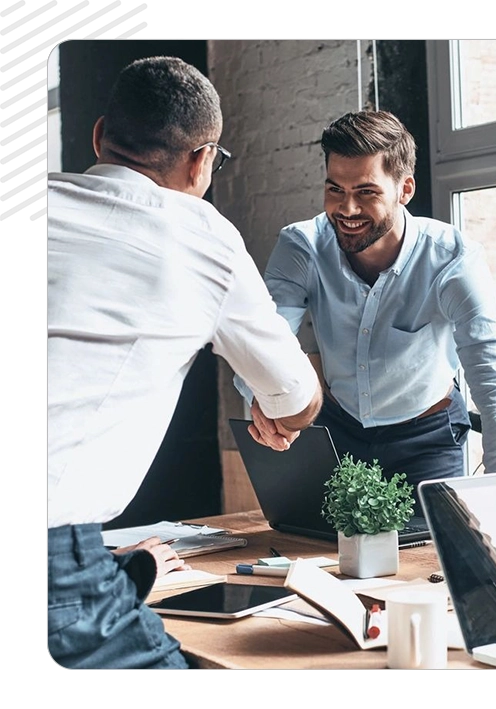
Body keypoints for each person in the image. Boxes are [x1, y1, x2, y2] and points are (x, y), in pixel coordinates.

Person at [47, 56, 323, 670]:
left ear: (98, 138)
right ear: (203, 161)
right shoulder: (203, 237)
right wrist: (279, 414)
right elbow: (296, 396)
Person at [235, 110, 496, 506]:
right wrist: (263, 402)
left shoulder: (451, 258)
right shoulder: (302, 246)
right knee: (319, 556)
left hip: (426, 439)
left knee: (433, 559)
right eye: (335, 189)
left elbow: (493, 371)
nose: (347, 209)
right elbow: (262, 338)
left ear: (404, 189)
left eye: (366, 192)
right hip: (337, 431)